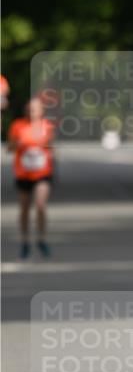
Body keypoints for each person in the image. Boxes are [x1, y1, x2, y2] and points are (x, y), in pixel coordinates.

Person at [7, 96, 55, 258]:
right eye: (29, 108)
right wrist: (17, 144)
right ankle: (25, 241)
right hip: (23, 173)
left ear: (41, 111)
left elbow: (52, 148)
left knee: (40, 205)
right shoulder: (17, 126)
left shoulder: (47, 126)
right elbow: (10, 149)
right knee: (25, 208)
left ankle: (42, 238)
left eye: (35, 109)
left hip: (42, 173)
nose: (31, 111)